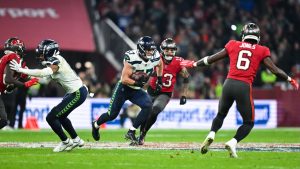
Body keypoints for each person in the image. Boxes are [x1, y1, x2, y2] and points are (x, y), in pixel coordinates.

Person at [180, 23, 299, 158]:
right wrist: (290, 79)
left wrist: (194, 64)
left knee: (220, 115)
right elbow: (274, 70)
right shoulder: (262, 50)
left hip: (228, 83)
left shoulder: (233, 44)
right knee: (248, 122)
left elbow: (211, 59)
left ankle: (211, 133)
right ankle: (233, 142)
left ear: (243, 35)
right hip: (243, 86)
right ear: (257, 37)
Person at [9, 39, 89, 152]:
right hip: (75, 92)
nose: (40, 56)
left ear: (48, 51)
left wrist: (22, 70)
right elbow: (42, 80)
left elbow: (43, 73)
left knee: (51, 117)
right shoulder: (55, 61)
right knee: (61, 116)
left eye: (41, 53)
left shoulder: (56, 60)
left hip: (77, 92)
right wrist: (24, 74)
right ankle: (76, 140)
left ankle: (66, 141)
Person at [91, 36, 163, 145]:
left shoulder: (155, 56)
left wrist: (160, 79)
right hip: (123, 89)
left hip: (136, 90)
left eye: (152, 50)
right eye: (148, 50)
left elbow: (160, 64)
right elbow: (124, 79)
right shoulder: (132, 57)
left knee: (148, 106)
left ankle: (131, 131)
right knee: (112, 115)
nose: (150, 52)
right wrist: (138, 83)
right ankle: (96, 124)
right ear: (141, 49)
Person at [138, 38, 190, 145]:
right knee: (145, 112)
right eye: (167, 50)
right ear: (162, 50)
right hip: (151, 90)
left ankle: (143, 134)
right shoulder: (155, 59)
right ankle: (140, 135)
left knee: (156, 109)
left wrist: (184, 95)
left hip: (165, 93)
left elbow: (186, 77)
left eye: (172, 50)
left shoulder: (178, 62)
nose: (169, 52)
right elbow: (146, 73)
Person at [0, 37, 39, 130]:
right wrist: (25, 84)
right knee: (3, 120)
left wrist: (20, 78)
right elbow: (9, 79)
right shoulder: (13, 56)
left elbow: (8, 88)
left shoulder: (10, 59)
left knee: (3, 121)